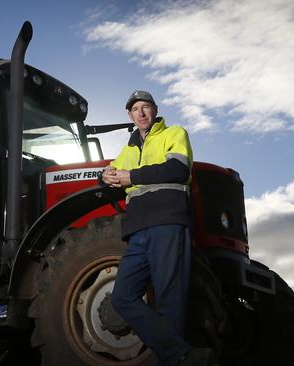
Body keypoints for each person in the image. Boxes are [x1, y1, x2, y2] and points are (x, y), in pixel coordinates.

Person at [101, 90, 213, 366]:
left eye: (145, 107)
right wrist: (103, 176)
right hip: (138, 231)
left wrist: (132, 176)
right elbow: (111, 178)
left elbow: (177, 170)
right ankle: (182, 354)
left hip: (167, 222)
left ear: (155, 110)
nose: (141, 113)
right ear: (129, 115)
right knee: (122, 297)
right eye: (135, 109)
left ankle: (175, 359)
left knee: (169, 300)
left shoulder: (174, 134)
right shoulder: (128, 150)